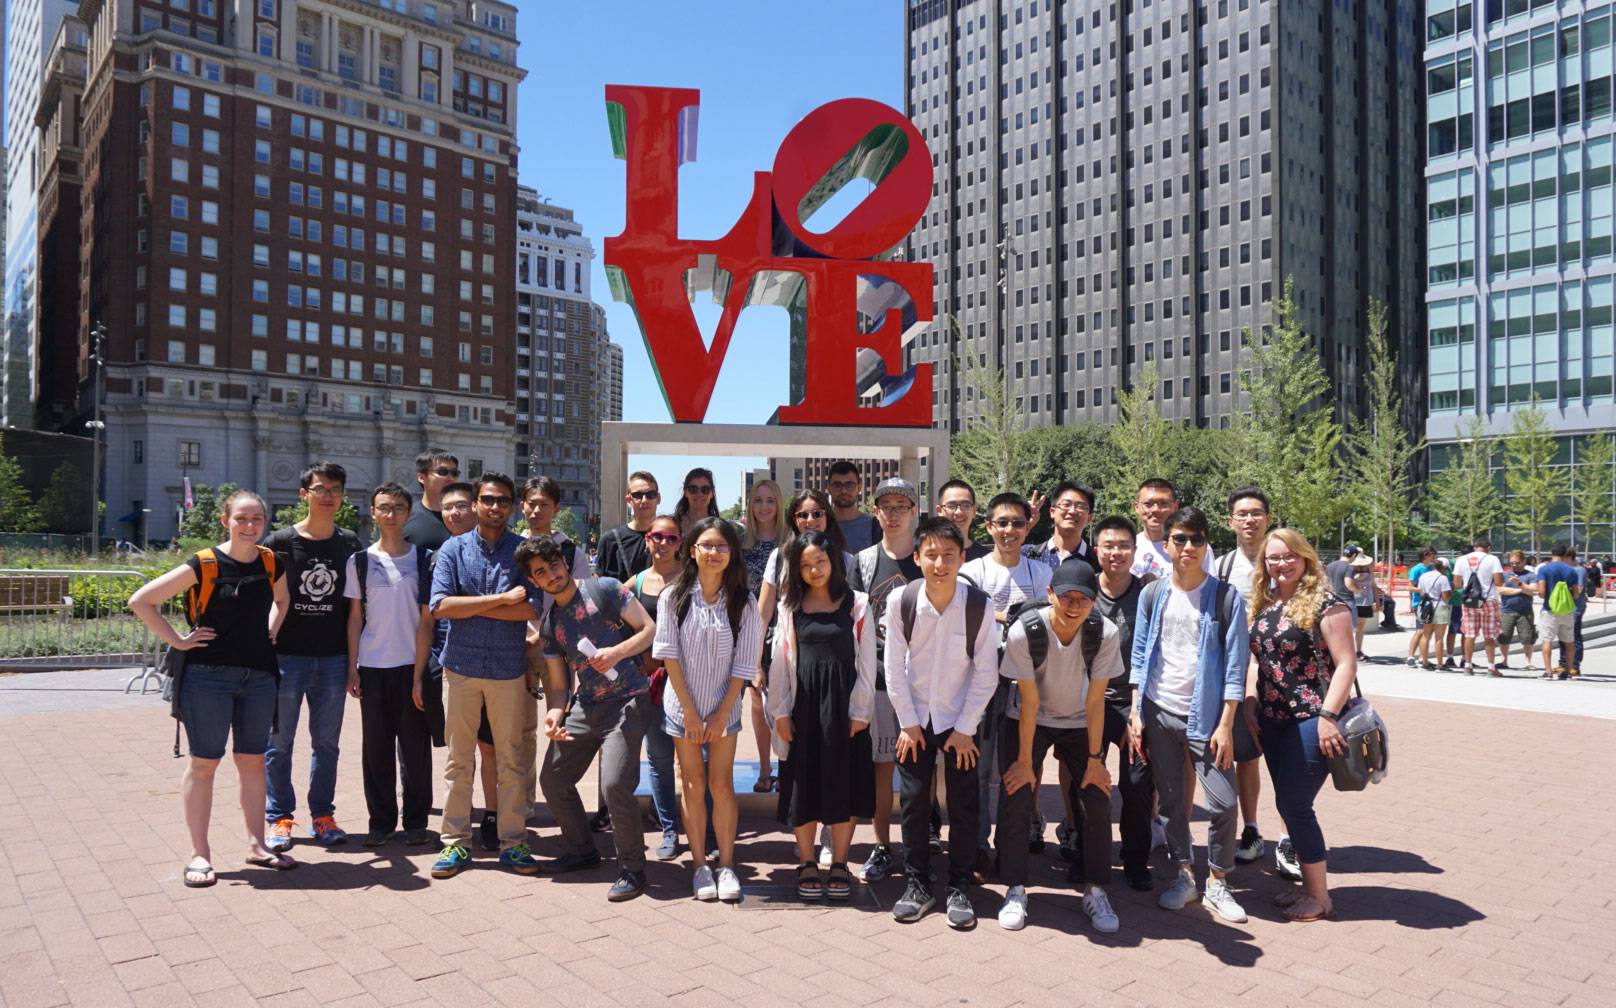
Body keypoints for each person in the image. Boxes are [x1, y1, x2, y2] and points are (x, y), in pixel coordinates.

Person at [129, 490, 294, 886]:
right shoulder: (204, 563)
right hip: (207, 676)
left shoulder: (272, 561)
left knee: (253, 760)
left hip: (258, 675)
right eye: (241, 518)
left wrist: (271, 630)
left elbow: (282, 600)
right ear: (226, 521)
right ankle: (199, 854)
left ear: (265, 522)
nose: (249, 525)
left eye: (257, 519)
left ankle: (257, 845)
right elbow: (142, 600)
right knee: (204, 763)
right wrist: (180, 641)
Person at [1129, 506, 1250, 924]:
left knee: (1222, 801)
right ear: (1167, 544)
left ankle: (1219, 879)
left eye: (1197, 539)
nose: (1188, 547)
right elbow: (1141, 652)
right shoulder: (1153, 593)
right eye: (1180, 539)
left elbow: (1236, 665)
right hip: (1159, 712)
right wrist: (1135, 708)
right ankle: (1184, 874)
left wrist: (1227, 723)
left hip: (1207, 717)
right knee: (1172, 804)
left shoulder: (1225, 596)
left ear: (1206, 545)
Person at [996, 558, 1124, 933]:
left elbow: (1097, 700)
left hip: (1081, 719)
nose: (1073, 605)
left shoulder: (1105, 632)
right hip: (1030, 717)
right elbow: (1030, 701)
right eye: (1065, 596)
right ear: (1049, 594)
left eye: (1082, 599)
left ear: (1094, 601)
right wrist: (1024, 762)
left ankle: (1095, 889)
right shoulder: (1025, 632)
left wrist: (1096, 760)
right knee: (1017, 793)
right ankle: (1016, 888)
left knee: (1097, 796)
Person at [428, 473, 544, 878]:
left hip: (508, 670)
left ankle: (514, 842)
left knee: (511, 759)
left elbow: (530, 610)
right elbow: (441, 606)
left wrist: (472, 605)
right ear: (476, 503)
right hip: (460, 667)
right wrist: (498, 600)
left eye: (503, 501)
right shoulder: (452, 549)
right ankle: (455, 844)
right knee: (458, 761)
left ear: (512, 507)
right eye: (488, 500)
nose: (495, 507)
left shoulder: (523, 552)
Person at [884, 518, 998, 928]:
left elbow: (986, 673)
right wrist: (908, 722)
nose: (939, 563)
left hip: (960, 719)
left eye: (949, 555)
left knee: (964, 806)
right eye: (930, 554)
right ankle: (916, 885)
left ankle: (960, 887)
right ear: (916, 558)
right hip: (914, 720)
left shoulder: (979, 606)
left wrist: (966, 727)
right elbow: (893, 666)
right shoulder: (902, 601)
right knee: (914, 804)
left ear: (962, 558)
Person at [529, 537, 658, 901]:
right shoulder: (551, 624)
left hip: (628, 701)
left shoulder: (606, 589)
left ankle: (633, 868)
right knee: (553, 779)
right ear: (535, 581)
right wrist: (554, 715)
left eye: (553, 565)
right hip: (586, 706)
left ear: (565, 564)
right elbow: (558, 686)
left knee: (614, 785)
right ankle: (582, 850)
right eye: (540, 573)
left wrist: (616, 652)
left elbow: (649, 629)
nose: (551, 575)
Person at [1244, 527, 1359, 922]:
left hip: (1312, 719)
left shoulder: (1328, 603)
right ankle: (1309, 889)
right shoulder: (1266, 602)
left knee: (1296, 804)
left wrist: (1328, 716)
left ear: (1305, 558)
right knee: (1287, 804)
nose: (1282, 563)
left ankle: (1320, 897)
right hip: (1273, 720)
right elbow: (1259, 660)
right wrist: (1249, 704)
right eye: (1273, 558)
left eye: (1289, 555)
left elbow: (1346, 663)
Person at [652, 517, 763, 902]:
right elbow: (668, 656)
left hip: (724, 709)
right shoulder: (673, 597)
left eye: (722, 546)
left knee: (721, 785)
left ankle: (727, 865)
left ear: (732, 553)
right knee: (693, 785)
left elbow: (745, 663)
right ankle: (700, 865)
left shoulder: (743, 601)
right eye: (707, 545)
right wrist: (692, 713)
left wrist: (719, 714)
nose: (714, 553)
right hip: (684, 708)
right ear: (692, 550)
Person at [767, 531, 877, 901]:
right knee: (804, 785)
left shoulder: (857, 604)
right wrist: (780, 712)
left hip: (845, 711)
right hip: (803, 709)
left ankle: (841, 862)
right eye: (805, 564)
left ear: (834, 563)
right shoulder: (789, 606)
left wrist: (861, 711)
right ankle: (808, 860)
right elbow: (780, 663)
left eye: (821, 562)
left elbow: (867, 664)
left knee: (844, 784)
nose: (814, 570)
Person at [264, 461, 363, 851]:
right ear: (303, 494)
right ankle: (280, 817)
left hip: (333, 660)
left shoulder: (349, 543)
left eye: (335, 489)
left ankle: (322, 815)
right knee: (279, 743)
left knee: (327, 744)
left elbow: (355, 610)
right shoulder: (280, 543)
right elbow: (264, 602)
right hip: (286, 658)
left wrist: (353, 664)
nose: (328, 496)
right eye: (320, 489)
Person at [960, 492, 1052, 874]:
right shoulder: (974, 570)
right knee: (979, 772)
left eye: (1017, 522)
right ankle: (979, 845)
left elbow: (1050, 620)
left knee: (1015, 767)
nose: (1009, 530)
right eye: (1002, 523)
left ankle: (1009, 846)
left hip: (1026, 681)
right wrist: (1012, 616)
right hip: (981, 681)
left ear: (1028, 525)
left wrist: (1007, 617)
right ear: (989, 527)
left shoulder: (1042, 574)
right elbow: (967, 615)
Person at [343, 483, 436, 847]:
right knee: (376, 749)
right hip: (373, 666)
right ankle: (380, 822)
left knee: (415, 750)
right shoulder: (360, 561)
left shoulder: (424, 559)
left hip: (411, 666)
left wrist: (418, 674)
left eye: (398, 507)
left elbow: (427, 620)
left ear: (409, 513)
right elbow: (354, 618)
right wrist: (353, 667)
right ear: (373, 512)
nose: (391, 514)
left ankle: (416, 821)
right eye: (384, 508)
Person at [845, 477, 922, 882]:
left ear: (914, 511)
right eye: (885, 506)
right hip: (876, 679)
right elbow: (854, 622)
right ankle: (882, 845)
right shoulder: (863, 561)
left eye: (900, 506)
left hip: (922, 683)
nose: (892, 514)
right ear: (875, 511)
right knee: (881, 767)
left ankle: (919, 846)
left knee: (921, 770)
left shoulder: (930, 558)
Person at [1088, 516, 1159, 892]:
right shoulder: (1083, 590)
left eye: (1123, 546)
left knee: (1137, 784)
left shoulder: (1148, 593)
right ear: (1096, 549)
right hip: (1092, 701)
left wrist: (1137, 710)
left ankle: (1135, 859)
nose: (1116, 553)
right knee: (1089, 780)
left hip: (1134, 703)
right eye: (1108, 546)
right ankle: (1090, 855)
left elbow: (1151, 653)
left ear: (1135, 550)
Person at [519, 476, 592, 822]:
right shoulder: (511, 547)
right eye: (531, 503)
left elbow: (579, 598)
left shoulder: (571, 551)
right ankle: (523, 802)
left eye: (544, 504)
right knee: (518, 728)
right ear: (523, 506)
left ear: (556, 509)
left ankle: (557, 789)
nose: (536, 510)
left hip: (558, 651)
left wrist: (545, 634)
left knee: (559, 717)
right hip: (517, 648)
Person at [1213, 485, 1276, 871]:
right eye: (1242, 513)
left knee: (1289, 759)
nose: (1250, 520)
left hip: (1285, 673)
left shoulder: (1283, 559)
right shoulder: (1220, 566)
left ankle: (1290, 838)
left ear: (1268, 518)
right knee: (1246, 755)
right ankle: (1251, 829)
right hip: (1238, 671)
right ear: (1230, 521)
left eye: (1257, 513)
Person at [630, 515, 689, 860]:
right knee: (659, 759)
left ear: (681, 542)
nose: (663, 542)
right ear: (647, 540)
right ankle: (670, 829)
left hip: (692, 683)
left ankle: (708, 830)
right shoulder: (635, 584)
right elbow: (611, 617)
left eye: (671, 537)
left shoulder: (693, 579)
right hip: (652, 684)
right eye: (657, 536)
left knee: (699, 761)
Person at [740, 479, 788, 794]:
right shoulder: (739, 543)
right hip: (747, 627)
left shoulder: (791, 541)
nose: (764, 506)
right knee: (756, 696)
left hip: (783, 627)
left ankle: (786, 765)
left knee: (785, 699)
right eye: (758, 500)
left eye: (770, 500)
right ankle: (765, 767)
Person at [1131, 478, 1212, 579]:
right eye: (1148, 504)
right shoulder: (1127, 548)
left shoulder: (1196, 547)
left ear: (1175, 506)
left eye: (1163, 503)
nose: (1156, 509)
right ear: (1137, 507)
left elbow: (1210, 589)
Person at [1451, 536, 1504, 676]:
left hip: (1469, 601)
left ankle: (1467, 665)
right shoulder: (1493, 559)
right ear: (1489, 548)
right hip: (1488, 599)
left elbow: (1456, 584)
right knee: (1489, 635)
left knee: (1469, 634)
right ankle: (1491, 667)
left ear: (1475, 547)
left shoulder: (1462, 559)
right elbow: (1499, 582)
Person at [595, 471, 660, 583]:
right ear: (629, 500)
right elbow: (600, 586)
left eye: (651, 495)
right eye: (638, 495)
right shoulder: (609, 540)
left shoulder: (670, 538)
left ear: (658, 498)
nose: (644, 500)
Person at [1535, 543, 1582, 680]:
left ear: (1551, 552)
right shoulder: (1571, 570)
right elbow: (1576, 594)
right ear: (1565, 553)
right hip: (1566, 611)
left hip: (1550, 610)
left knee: (1547, 640)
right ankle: (1567, 671)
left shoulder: (1544, 569)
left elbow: (1542, 593)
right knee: (1569, 642)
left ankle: (1548, 671)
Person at [1024, 481, 1095, 568]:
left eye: (1080, 507)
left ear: (1089, 518)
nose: (1072, 511)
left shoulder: (1099, 560)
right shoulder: (1027, 555)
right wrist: (1024, 527)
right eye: (1066, 504)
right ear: (1052, 512)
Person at [403, 450, 459, 550]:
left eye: (454, 473)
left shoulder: (470, 517)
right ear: (421, 477)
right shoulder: (403, 518)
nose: (450, 478)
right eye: (443, 472)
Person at [828, 460, 882, 553]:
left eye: (849, 485)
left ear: (859, 487)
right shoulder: (820, 524)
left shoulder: (876, 527)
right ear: (829, 488)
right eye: (837, 485)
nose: (844, 491)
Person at [1497, 550, 1538, 671]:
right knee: (1504, 636)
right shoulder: (1505, 574)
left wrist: (1519, 583)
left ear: (1524, 561)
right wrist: (1521, 590)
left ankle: (1528, 662)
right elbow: (1500, 590)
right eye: (1512, 563)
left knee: (1528, 637)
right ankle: (1504, 661)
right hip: (1506, 610)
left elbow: (1534, 590)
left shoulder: (1531, 575)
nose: (1514, 565)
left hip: (1525, 610)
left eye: (1517, 562)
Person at [935, 478, 992, 560]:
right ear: (939, 511)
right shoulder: (928, 556)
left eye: (966, 505)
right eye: (951, 506)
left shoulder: (986, 559)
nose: (959, 512)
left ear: (974, 510)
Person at [1404, 546, 1439, 669]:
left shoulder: (1432, 568)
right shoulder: (1416, 569)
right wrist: (1423, 590)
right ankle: (1410, 657)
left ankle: (1422, 657)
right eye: (1432, 555)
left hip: (1432, 603)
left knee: (1428, 631)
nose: (1434, 557)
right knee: (1420, 630)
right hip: (1420, 603)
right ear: (1425, 555)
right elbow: (1410, 587)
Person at [1415, 559, 1452, 670]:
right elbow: (1445, 596)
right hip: (1439, 606)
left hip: (1426, 606)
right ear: (1444, 568)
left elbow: (1421, 591)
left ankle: (1425, 662)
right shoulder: (1443, 578)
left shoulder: (1424, 576)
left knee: (1425, 635)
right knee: (1439, 638)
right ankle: (1440, 664)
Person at [674, 467, 720, 540]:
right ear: (685, 492)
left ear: (712, 493)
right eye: (693, 489)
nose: (699, 494)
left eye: (705, 489)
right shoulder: (674, 525)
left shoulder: (721, 527)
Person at [1350, 552, 1376, 659]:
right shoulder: (1351, 572)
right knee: (1352, 627)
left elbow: (1373, 586)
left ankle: (1358, 650)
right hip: (1354, 601)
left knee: (1360, 627)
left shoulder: (1369, 572)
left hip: (1366, 601)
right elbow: (1348, 584)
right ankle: (1350, 650)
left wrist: (1377, 601)